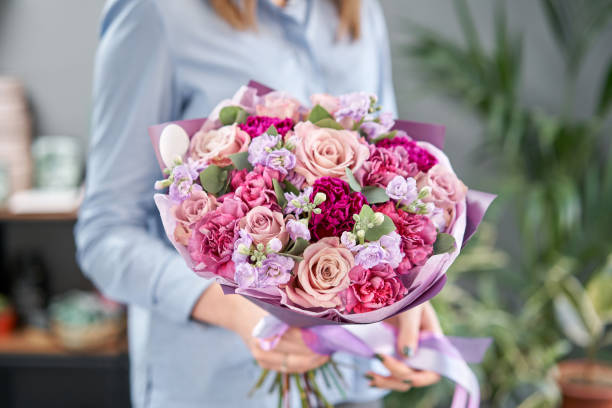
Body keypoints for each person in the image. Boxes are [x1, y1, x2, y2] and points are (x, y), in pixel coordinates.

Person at [75, 1, 442, 407]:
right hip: (222, 387)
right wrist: (238, 313)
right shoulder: (155, 12)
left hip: (354, 386)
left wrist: (404, 294)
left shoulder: (357, 11)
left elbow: (391, 169)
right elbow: (105, 233)